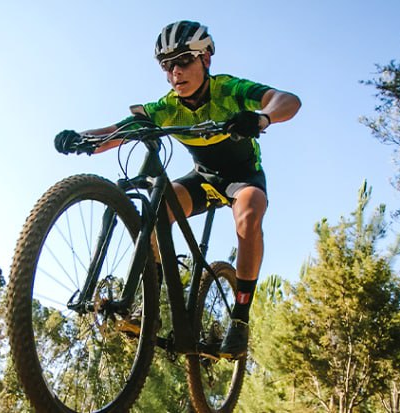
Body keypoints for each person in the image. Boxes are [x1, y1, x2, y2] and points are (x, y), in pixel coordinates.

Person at [54, 20, 300, 359]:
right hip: (203, 178)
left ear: (206, 60)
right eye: (166, 66)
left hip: (243, 178)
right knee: (157, 213)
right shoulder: (167, 107)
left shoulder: (229, 89)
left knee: (249, 214)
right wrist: (83, 139)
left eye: (183, 61)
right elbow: (120, 130)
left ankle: (240, 318)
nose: (174, 73)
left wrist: (261, 118)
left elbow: (287, 100)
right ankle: (149, 308)